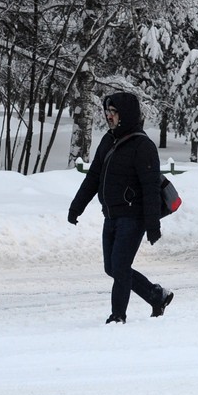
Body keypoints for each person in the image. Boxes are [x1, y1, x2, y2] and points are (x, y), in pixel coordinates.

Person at [68, 92, 175, 324]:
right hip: (111, 215)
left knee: (120, 266)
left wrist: (152, 225)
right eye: (107, 111)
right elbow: (93, 177)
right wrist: (76, 207)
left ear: (124, 115)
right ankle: (156, 295)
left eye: (113, 112)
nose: (108, 116)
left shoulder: (142, 145)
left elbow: (149, 188)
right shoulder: (108, 140)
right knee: (112, 268)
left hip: (132, 216)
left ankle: (118, 316)